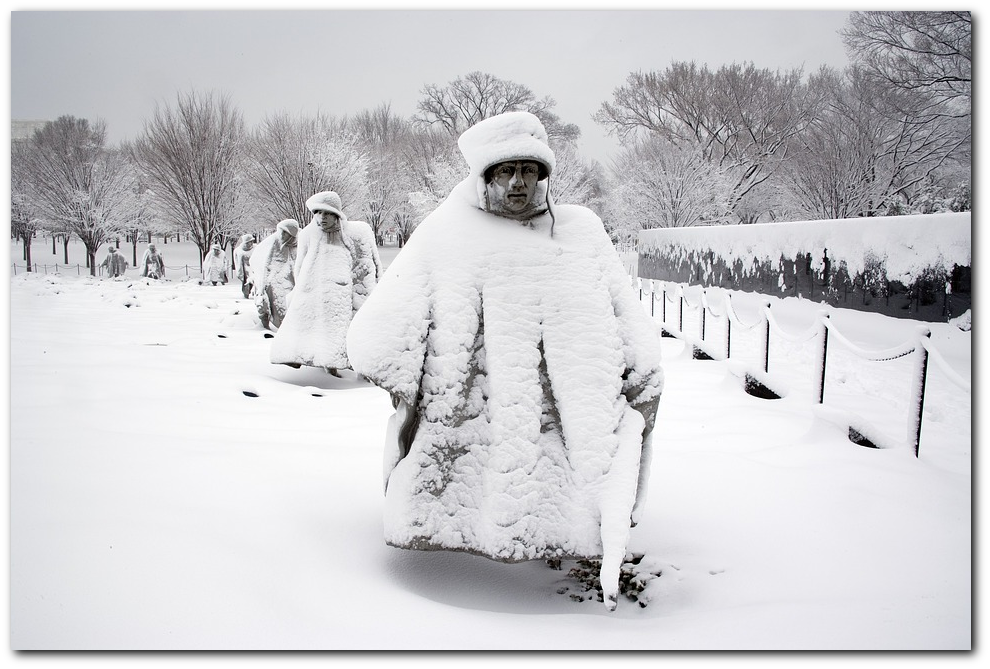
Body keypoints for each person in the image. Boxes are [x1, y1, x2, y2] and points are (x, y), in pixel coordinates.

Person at [345, 111, 664, 611]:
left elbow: (624, 310)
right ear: (485, 178)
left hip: (562, 406)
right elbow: (391, 314)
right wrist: (393, 359)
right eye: (505, 171)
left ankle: (562, 548)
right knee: (472, 482)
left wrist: (641, 366)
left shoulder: (580, 232)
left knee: (556, 482)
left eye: (528, 170)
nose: (518, 182)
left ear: (542, 177)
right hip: (475, 404)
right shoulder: (448, 231)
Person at [270, 191, 382, 375]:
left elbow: (367, 265)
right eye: (317, 212)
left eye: (327, 213)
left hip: (340, 293)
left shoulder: (354, 233)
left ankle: (341, 371)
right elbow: (300, 266)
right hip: (313, 293)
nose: (322, 217)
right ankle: (316, 364)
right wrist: (301, 291)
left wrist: (362, 291)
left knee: (340, 335)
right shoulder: (307, 234)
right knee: (314, 335)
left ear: (336, 214)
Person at [251, 218, 299, 331]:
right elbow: (261, 262)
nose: (281, 235)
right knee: (277, 305)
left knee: (291, 305)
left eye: (285, 233)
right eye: (281, 231)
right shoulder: (272, 244)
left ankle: (290, 329)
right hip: (275, 280)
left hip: (292, 281)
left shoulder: (299, 244)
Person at [233, 234, 257, 299]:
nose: (252, 243)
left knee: (255, 282)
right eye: (250, 242)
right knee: (246, 283)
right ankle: (246, 294)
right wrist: (239, 272)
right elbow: (237, 262)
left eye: (252, 241)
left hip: (254, 269)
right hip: (245, 270)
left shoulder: (256, 248)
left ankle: (256, 294)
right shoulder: (239, 250)